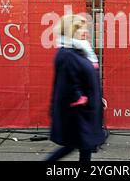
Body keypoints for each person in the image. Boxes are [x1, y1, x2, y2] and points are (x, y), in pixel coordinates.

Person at [45, 14, 106, 162]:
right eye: (80, 28)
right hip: (76, 112)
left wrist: (98, 98)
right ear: (71, 30)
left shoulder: (80, 49)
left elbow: (88, 77)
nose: (85, 32)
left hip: (85, 110)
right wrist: (80, 98)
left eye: (85, 28)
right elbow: (69, 82)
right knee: (77, 144)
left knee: (85, 145)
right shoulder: (67, 53)